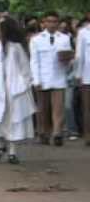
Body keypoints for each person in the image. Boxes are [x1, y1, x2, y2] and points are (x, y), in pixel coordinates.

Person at [0, 18, 36, 164]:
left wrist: (22, 85)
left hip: (14, 90)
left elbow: (25, 69)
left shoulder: (16, 47)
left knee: (13, 120)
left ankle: (12, 151)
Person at [30, 12, 72, 146]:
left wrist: (68, 61)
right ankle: (43, 132)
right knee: (43, 109)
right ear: (44, 23)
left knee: (58, 108)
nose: (52, 24)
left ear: (58, 23)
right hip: (42, 78)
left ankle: (57, 133)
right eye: (49, 21)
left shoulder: (64, 38)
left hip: (59, 77)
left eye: (55, 21)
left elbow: (69, 57)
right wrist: (36, 80)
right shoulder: (36, 39)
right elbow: (34, 61)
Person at [75, 17, 90, 146]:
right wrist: (78, 74)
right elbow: (79, 55)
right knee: (87, 108)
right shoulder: (83, 32)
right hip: (87, 75)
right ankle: (88, 135)